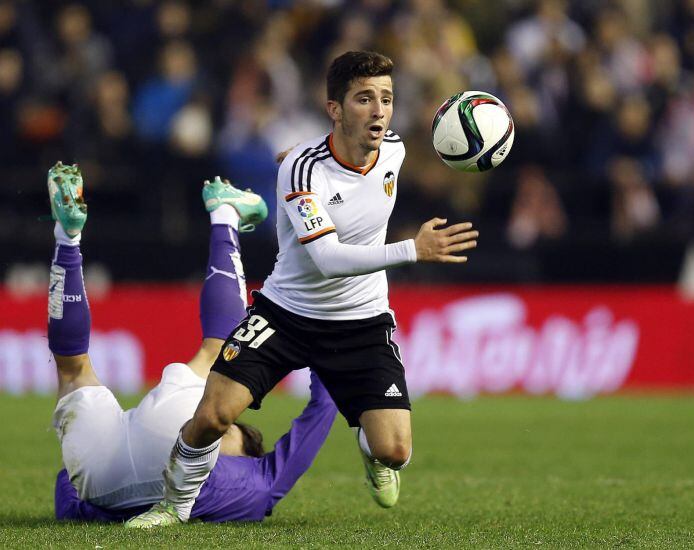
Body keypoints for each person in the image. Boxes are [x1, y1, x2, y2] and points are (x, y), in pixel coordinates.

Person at [127, 50, 479, 528]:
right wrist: (413, 250)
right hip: (286, 315)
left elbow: (403, 147)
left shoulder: (393, 149)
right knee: (212, 415)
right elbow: (329, 259)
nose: (378, 111)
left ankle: (369, 447)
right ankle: (175, 504)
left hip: (361, 321)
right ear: (335, 108)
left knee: (395, 450)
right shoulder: (303, 169)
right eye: (363, 99)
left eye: (386, 99)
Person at [46, 162, 338, 522]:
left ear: (243, 454)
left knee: (218, 350)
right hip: (104, 475)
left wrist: (332, 360)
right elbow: (67, 492)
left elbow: (321, 412)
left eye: (235, 429)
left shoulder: (251, 481)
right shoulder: (252, 493)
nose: (230, 422)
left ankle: (224, 215)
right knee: (72, 372)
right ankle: (66, 238)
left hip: (169, 442)